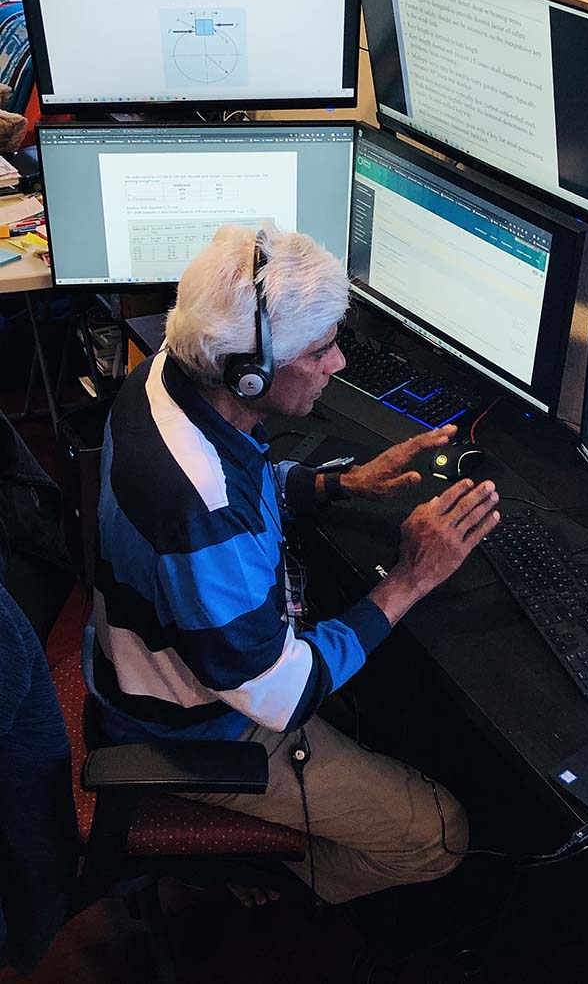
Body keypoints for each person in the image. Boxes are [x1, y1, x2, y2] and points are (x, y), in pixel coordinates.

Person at [83, 223, 501, 910]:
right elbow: (278, 697)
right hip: (195, 729)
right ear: (250, 373)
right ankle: (261, 881)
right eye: (322, 348)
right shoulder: (199, 511)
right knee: (442, 834)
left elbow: (244, 479)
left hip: (151, 662)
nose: (337, 363)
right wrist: (410, 576)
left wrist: (344, 484)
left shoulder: (166, 373)